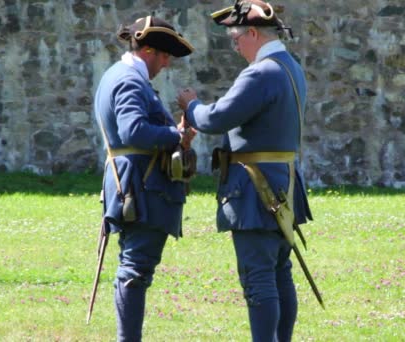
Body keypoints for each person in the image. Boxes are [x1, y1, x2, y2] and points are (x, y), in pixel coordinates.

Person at [177, 1, 313, 341]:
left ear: (253, 33)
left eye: (237, 38)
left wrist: (191, 106)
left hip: (256, 189)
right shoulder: (290, 66)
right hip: (282, 180)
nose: (235, 45)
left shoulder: (261, 72)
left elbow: (216, 118)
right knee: (279, 272)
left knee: (259, 278)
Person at [93, 16, 196, 341]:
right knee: (135, 271)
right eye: (164, 55)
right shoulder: (128, 80)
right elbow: (132, 130)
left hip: (138, 185)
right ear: (148, 50)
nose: (166, 63)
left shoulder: (122, 76)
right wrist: (175, 134)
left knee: (134, 268)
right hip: (143, 188)